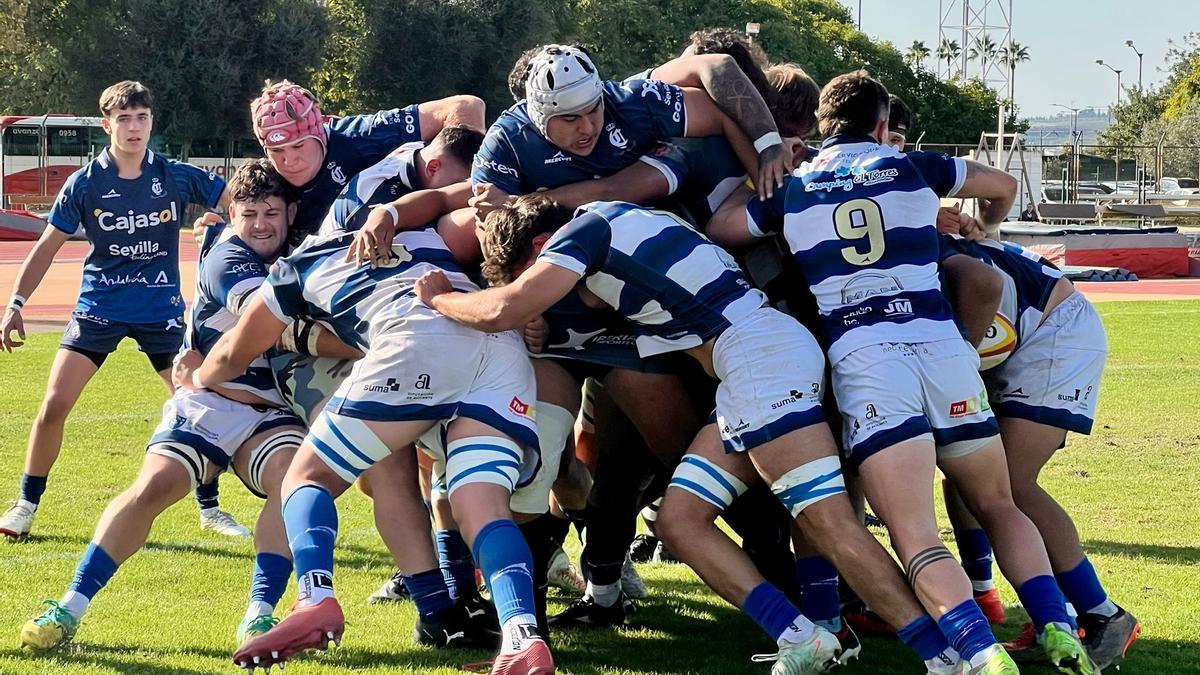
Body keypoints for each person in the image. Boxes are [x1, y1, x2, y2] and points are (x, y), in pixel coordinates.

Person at [413, 195, 967, 675]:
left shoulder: (587, 231)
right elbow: (597, 310)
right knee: (679, 522)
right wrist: (541, 320)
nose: (539, 286)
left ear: (541, 246)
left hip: (759, 363)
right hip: (750, 365)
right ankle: (804, 634)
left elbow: (505, 307)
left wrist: (440, 296)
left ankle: (943, 656)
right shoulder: (625, 227)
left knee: (833, 525)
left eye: (527, 270)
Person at [707, 70, 1098, 675]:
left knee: (915, 533)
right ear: (883, 125)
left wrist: (770, 165)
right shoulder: (914, 166)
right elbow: (1001, 184)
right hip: (944, 349)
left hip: (868, 360)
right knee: (997, 502)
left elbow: (722, 228)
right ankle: (1055, 625)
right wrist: (986, 226)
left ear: (817, 126)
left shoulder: (797, 184)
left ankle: (981, 654)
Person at [188, 219, 552, 674]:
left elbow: (230, 354)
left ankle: (315, 597)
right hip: (499, 348)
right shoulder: (426, 234)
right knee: (484, 510)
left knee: (308, 475)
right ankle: (522, 635)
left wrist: (196, 377)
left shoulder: (297, 265)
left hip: (417, 337)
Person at [17, 160, 315, 651]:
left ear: (291, 213)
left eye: (271, 212)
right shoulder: (228, 257)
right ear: (231, 215)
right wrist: (204, 376)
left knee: (292, 482)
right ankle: (69, 607)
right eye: (249, 213)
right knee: (151, 487)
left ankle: (260, 615)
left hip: (270, 413)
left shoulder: (302, 254)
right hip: (211, 403)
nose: (261, 224)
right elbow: (273, 323)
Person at [0, 80, 248, 540]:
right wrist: (15, 304)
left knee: (196, 407)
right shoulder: (86, 182)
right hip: (100, 307)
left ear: (152, 122)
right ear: (106, 125)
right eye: (125, 119)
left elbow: (244, 201)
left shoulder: (175, 175)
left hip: (163, 312)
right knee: (54, 404)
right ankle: (24, 505)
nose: (134, 128)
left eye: (142, 118)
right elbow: (46, 247)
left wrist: (226, 223)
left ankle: (210, 509)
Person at [939, 225, 1140, 670]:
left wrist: (960, 363)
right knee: (965, 471)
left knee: (1006, 484)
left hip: (1055, 333)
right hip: (1032, 332)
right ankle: (983, 595)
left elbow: (984, 277)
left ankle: (1102, 613)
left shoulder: (919, 244)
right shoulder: (914, 228)